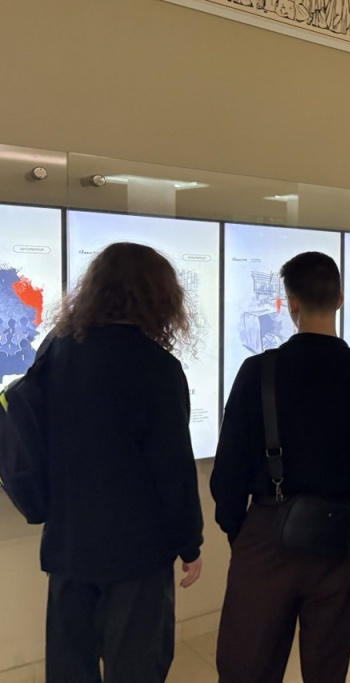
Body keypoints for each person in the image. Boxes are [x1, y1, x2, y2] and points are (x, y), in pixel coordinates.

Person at [211, 251, 350, 683]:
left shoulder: (258, 371)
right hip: (339, 534)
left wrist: (239, 530)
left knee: (247, 666)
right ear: (340, 299)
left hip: (266, 530)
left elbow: (229, 468)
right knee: (327, 665)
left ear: (290, 302)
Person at [42, 242, 204, 682]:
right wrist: (190, 543)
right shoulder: (158, 368)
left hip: (69, 544)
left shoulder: (56, 352)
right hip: (137, 553)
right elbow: (173, 471)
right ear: (160, 297)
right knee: (136, 668)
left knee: (69, 668)